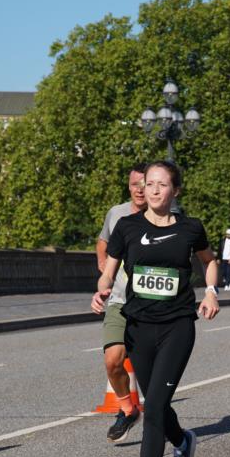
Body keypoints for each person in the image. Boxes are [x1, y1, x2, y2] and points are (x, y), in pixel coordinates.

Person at [92, 161, 220, 457]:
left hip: (177, 325)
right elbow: (110, 269)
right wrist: (101, 289)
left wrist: (210, 293)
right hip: (138, 327)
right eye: (149, 184)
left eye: (162, 185)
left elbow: (210, 262)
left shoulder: (190, 228)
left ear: (175, 190)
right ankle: (182, 443)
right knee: (160, 409)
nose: (154, 190)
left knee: (154, 408)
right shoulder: (127, 227)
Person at [96, 164, 147, 437]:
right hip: (119, 299)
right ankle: (128, 410)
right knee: (112, 361)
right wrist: (104, 267)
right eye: (133, 184)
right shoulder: (117, 213)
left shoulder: (166, 215)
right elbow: (102, 242)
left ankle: (165, 422)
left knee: (151, 370)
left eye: (144, 183)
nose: (138, 189)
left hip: (152, 303)